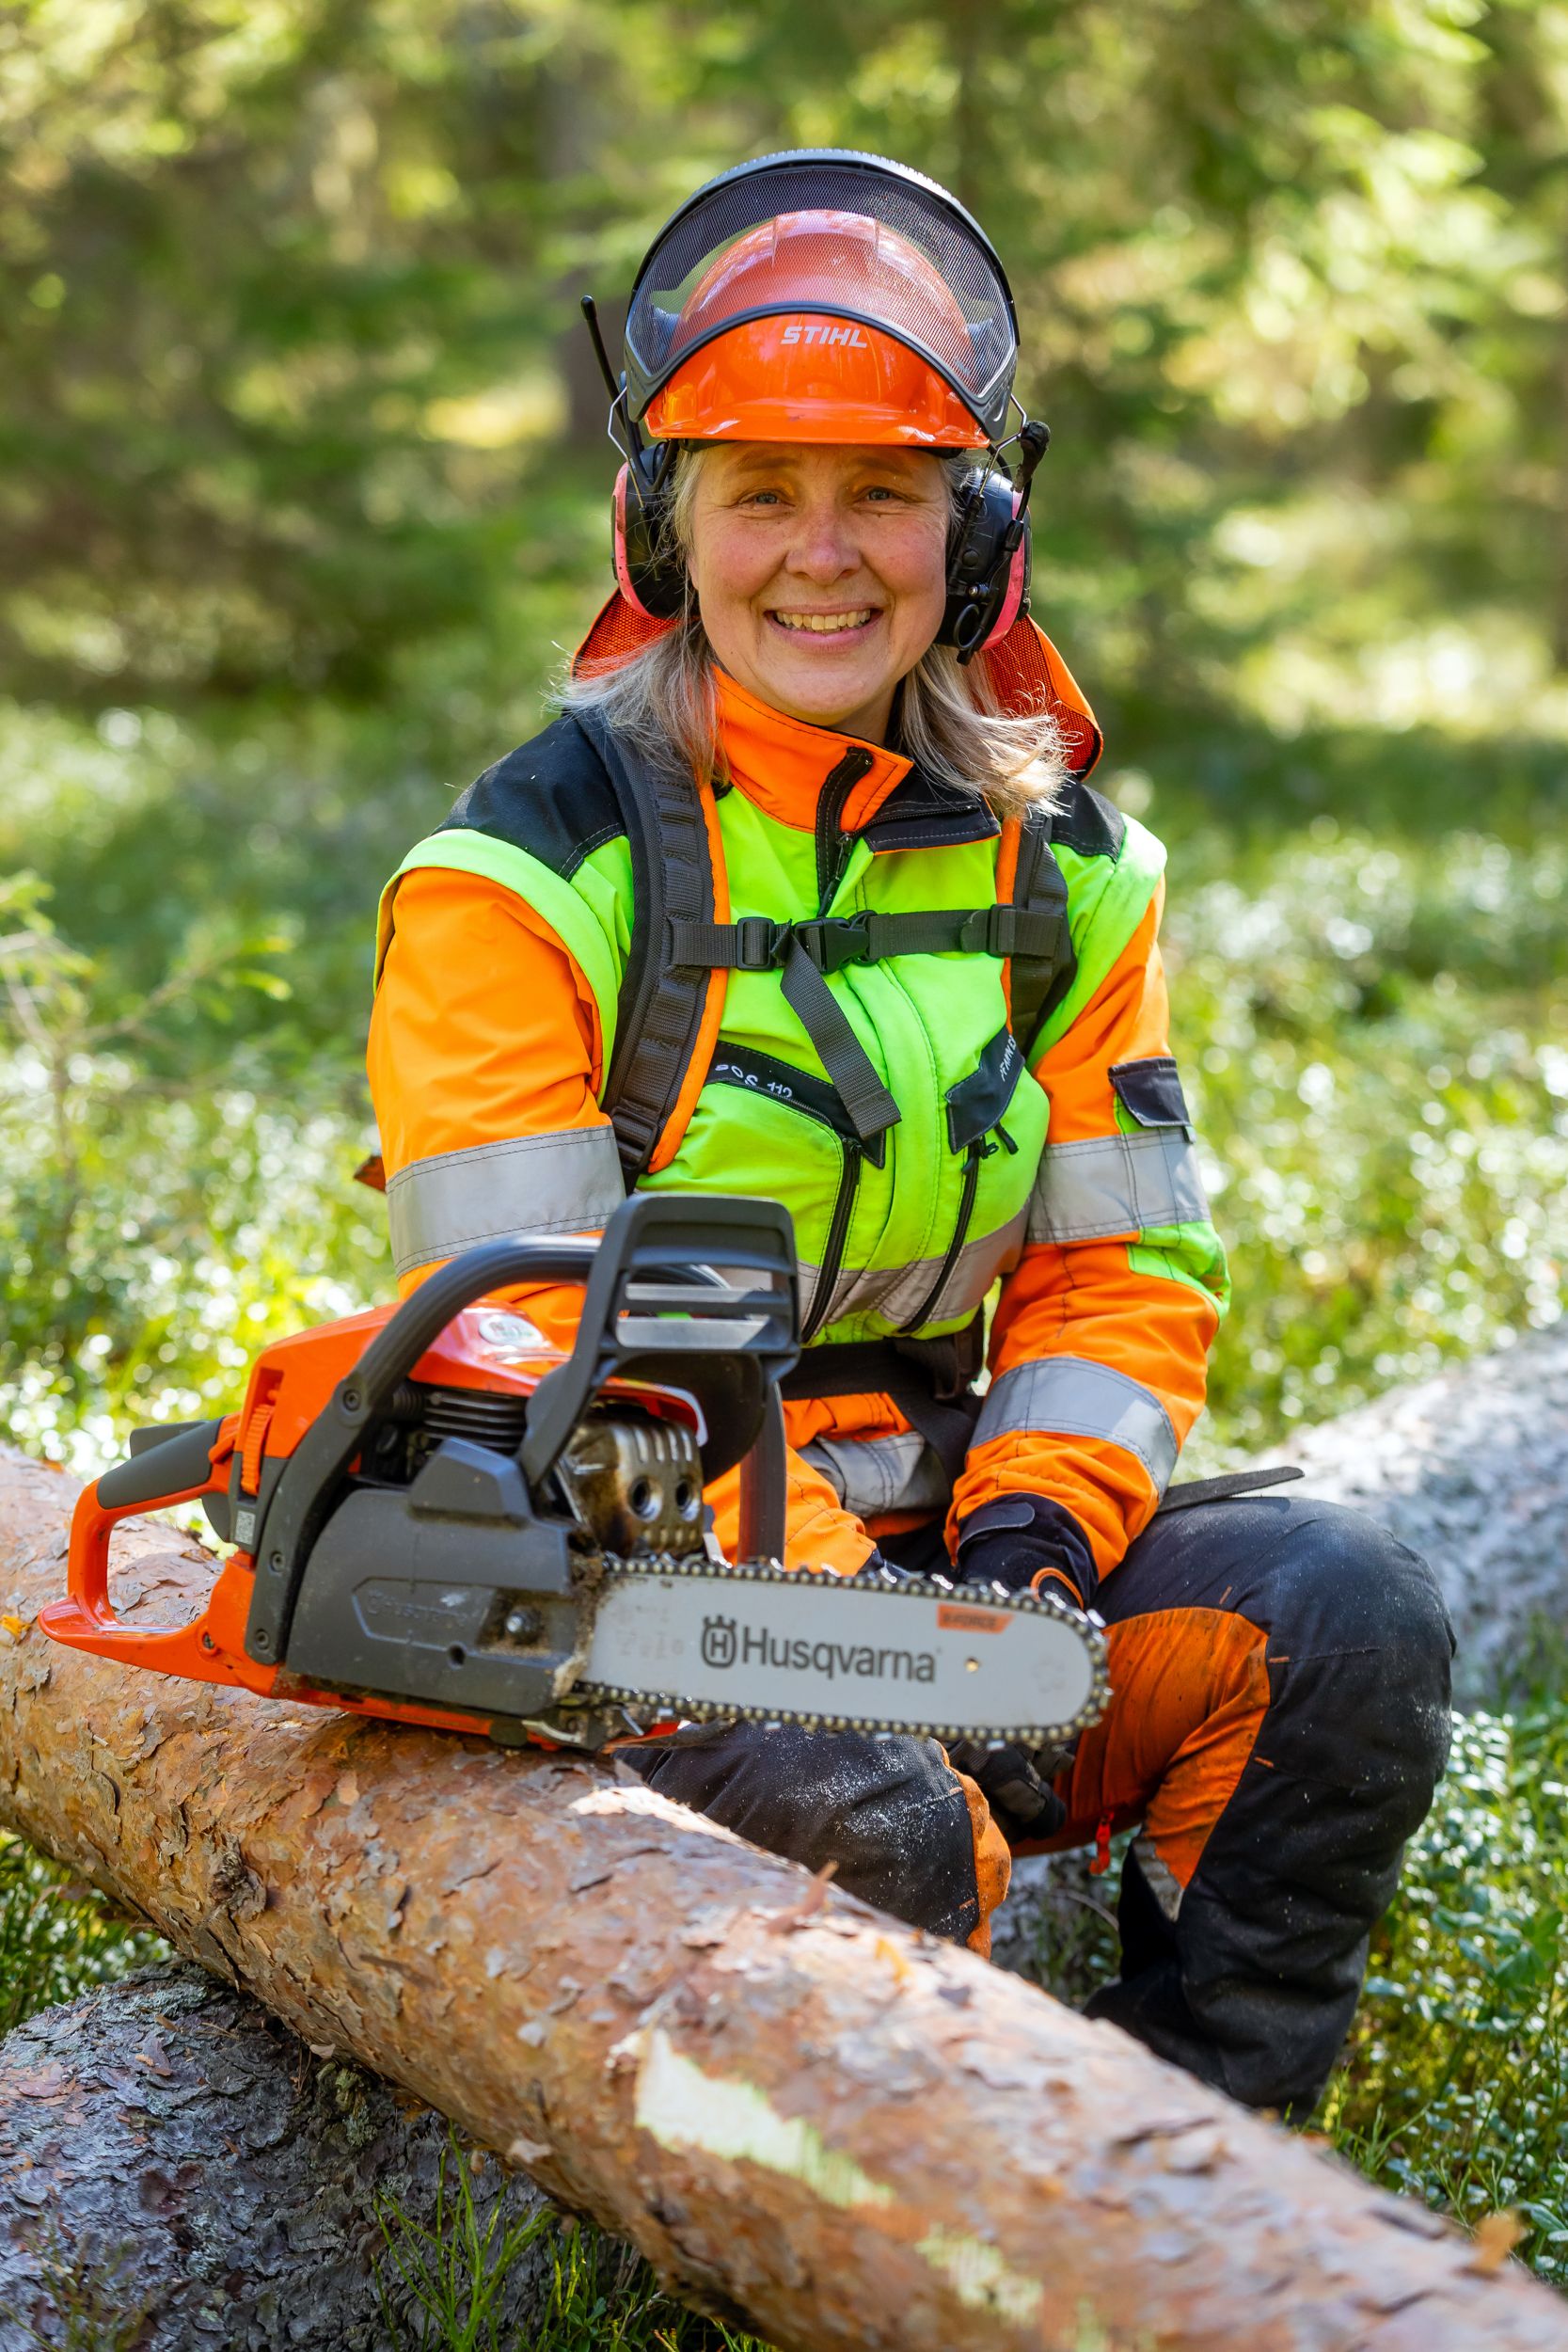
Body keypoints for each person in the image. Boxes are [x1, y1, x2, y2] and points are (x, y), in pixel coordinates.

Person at [367, 151, 1452, 2116]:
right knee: (877, 1808)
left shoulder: (1072, 874)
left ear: (978, 533)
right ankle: (873, 2229)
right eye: (759, 492)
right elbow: (538, 1330)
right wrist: (854, 1630)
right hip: (632, 1571)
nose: (823, 553)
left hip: (948, 1537)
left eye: (881, 490)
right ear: (662, 528)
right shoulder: (526, 877)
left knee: (1346, 1617)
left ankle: (1196, 2168)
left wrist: (1030, 1556)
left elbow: (1119, 1268)